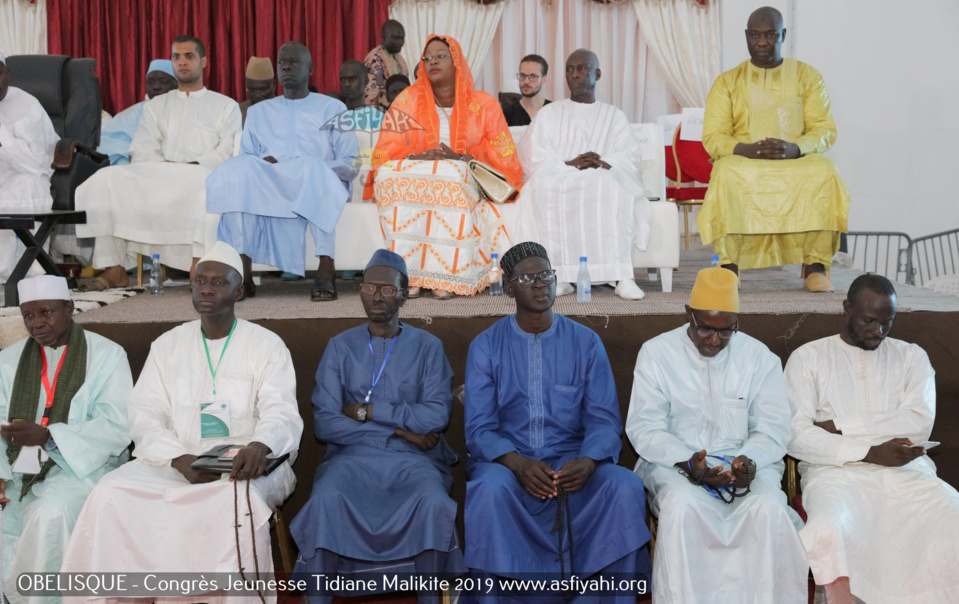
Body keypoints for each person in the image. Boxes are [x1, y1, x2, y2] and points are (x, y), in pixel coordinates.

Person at [61, 242, 302, 598]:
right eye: (199, 281)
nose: (206, 288)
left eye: (219, 283)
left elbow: (281, 411)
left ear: (239, 291)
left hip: (245, 461)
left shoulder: (266, 345)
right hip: (175, 457)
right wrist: (178, 459)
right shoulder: (167, 346)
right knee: (111, 492)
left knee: (234, 500)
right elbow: (144, 413)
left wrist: (259, 444)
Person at [463, 242, 651, 602]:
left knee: (623, 486)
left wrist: (589, 461)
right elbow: (479, 429)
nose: (540, 284)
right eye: (529, 277)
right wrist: (516, 463)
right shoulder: (486, 346)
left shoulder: (585, 342)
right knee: (489, 490)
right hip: (509, 465)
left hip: (573, 463)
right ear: (509, 285)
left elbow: (603, 419)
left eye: (546, 275)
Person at [626, 266, 808, 603]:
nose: (714, 340)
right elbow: (645, 426)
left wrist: (747, 463)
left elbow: (773, 427)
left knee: (767, 508)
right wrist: (687, 463)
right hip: (676, 464)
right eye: (706, 329)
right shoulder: (657, 353)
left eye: (726, 332)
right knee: (681, 507)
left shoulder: (759, 358)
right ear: (689, 314)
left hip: (748, 464)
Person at [291, 249, 463, 603]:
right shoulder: (339, 347)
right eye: (370, 288)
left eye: (388, 289)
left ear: (404, 294)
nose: (378, 296)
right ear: (361, 291)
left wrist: (368, 411)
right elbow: (325, 423)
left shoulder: (428, 347)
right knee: (326, 499)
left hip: (414, 461)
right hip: (350, 459)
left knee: (431, 500)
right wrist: (398, 430)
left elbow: (435, 417)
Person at [785, 274, 959, 604]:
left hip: (908, 474)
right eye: (869, 321)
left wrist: (838, 424)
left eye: (887, 322)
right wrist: (868, 451)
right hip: (836, 474)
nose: (878, 331)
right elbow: (796, 435)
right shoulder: (809, 358)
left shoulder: (911, 357)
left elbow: (918, 424)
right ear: (847, 308)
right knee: (830, 527)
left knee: (952, 515)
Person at [0, 275, 132, 604]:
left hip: (82, 466)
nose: (37, 323)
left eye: (46, 312)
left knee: (50, 514)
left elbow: (118, 424)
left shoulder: (107, 355)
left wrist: (49, 436)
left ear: (70, 309)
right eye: (28, 315)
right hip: (18, 467)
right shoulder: (8, 360)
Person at [699, 6, 850, 292]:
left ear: (782, 35)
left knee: (826, 171)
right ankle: (729, 267)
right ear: (746, 36)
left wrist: (796, 147)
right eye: (755, 34)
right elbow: (713, 136)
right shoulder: (728, 82)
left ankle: (815, 267)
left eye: (770, 34)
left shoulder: (808, 76)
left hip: (794, 157)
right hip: (744, 159)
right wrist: (744, 148)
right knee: (725, 173)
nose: (762, 41)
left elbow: (824, 129)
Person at [76, 35, 241, 289]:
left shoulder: (225, 105)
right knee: (107, 178)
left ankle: (199, 263)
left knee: (206, 182)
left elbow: (228, 149)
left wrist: (193, 165)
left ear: (204, 61)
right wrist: (163, 165)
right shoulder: (156, 106)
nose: (182, 63)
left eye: (189, 56)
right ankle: (114, 269)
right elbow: (141, 148)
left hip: (200, 173)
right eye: (176, 57)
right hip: (160, 174)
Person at [370, 35, 522, 299]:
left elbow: (503, 157)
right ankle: (412, 274)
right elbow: (386, 151)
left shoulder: (484, 104)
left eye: (440, 55)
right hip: (420, 172)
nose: (432, 62)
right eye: (427, 58)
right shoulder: (407, 100)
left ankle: (448, 276)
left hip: (466, 174)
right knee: (387, 175)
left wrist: (461, 157)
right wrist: (417, 157)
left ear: (457, 61)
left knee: (449, 173)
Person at [207, 42, 358, 301]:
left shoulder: (332, 108)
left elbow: (350, 163)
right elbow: (247, 160)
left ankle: (326, 267)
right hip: (272, 184)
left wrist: (306, 165)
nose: (285, 66)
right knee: (236, 170)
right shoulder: (258, 112)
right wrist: (263, 163)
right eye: (281, 62)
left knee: (311, 167)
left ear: (310, 68)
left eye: (293, 61)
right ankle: (243, 270)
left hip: (317, 182)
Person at [515, 49, 648, 300]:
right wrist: (570, 163)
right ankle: (560, 275)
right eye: (569, 70)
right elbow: (532, 155)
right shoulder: (550, 113)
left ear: (597, 74)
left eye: (582, 69)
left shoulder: (614, 115)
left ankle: (621, 276)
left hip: (602, 177)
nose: (574, 75)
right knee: (546, 186)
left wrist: (602, 162)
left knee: (611, 186)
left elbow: (630, 157)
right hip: (560, 176)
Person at [0, 49, 62, 283]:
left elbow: (38, 161)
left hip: (28, 174)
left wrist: (2, 140)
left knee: (23, 188)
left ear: (7, 74)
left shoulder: (26, 105)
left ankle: (28, 272)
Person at [97, 60, 178, 166]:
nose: (156, 86)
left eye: (163, 81)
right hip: (130, 168)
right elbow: (109, 147)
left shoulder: (187, 111)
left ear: (176, 85)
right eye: (150, 81)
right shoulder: (133, 114)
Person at [364, 19, 409, 112]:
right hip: (381, 114)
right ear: (384, 37)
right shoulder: (375, 58)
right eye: (395, 38)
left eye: (402, 38)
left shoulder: (399, 58)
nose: (400, 42)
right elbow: (370, 96)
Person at [503, 54, 551, 127]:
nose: (526, 81)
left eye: (533, 76)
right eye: (522, 75)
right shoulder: (507, 113)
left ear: (544, 79)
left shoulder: (553, 110)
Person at [239, 56, 275, 125]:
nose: (258, 95)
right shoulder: (239, 112)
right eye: (252, 90)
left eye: (263, 90)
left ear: (274, 85)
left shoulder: (284, 111)